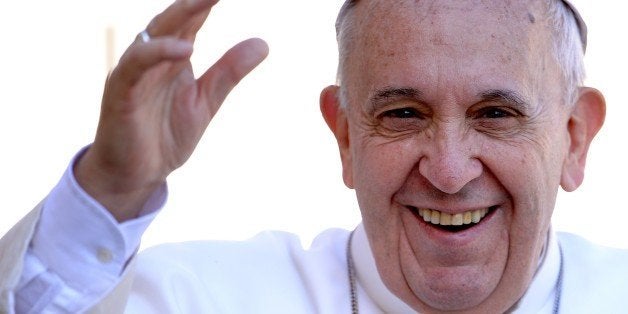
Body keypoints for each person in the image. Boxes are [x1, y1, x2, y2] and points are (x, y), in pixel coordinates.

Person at [1, 0, 626, 312]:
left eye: (496, 115)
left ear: (574, 137)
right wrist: (111, 189)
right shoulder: (201, 298)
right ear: (347, 136)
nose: (449, 170)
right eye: (403, 115)